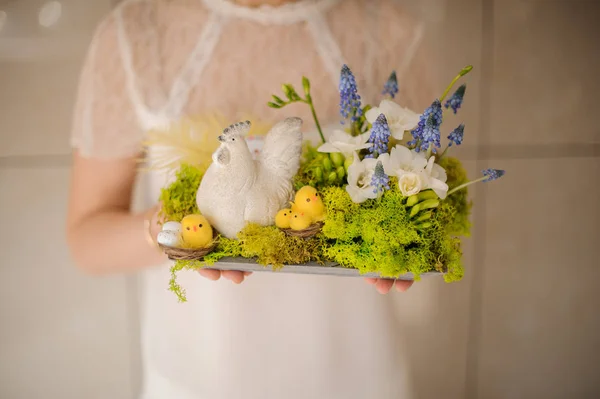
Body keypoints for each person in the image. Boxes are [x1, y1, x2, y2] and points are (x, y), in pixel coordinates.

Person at [66, 0, 437, 397]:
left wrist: (403, 237)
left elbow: (426, 193)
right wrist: (164, 229)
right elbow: (87, 241)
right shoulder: (136, 35)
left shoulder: (386, 28)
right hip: (200, 377)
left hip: (353, 371)